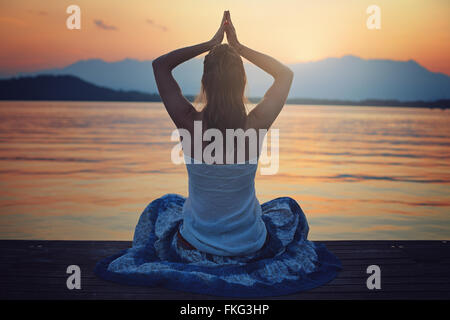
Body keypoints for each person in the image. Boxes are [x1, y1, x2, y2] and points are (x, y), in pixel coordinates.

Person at [95, 11, 341, 297]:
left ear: (206, 83)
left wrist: (209, 44)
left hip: (193, 248)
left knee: (165, 206)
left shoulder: (188, 121)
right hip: (250, 246)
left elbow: (160, 66)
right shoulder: (256, 124)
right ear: (241, 83)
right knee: (287, 208)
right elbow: (285, 74)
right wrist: (239, 48)